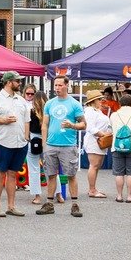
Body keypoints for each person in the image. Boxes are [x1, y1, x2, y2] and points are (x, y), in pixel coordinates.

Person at [37, 78, 85, 218]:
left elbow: (83, 124)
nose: (57, 88)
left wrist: (72, 125)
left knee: (71, 175)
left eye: (59, 85)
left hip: (68, 145)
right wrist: (44, 144)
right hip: (51, 145)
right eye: (55, 85)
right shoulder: (50, 104)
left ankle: (75, 204)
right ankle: (49, 203)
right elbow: (45, 125)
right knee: (51, 175)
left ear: (66, 86)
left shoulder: (74, 104)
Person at [0, 75, 31, 216]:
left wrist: (26, 138)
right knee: (0, 173)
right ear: (8, 82)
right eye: (17, 81)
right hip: (3, 141)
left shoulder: (22, 100)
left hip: (20, 143)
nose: (20, 83)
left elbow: (27, 121)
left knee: (13, 174)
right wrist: (3, 120)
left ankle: (11, 206)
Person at [107, 92, 131, 206]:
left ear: (120, 104)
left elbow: (111, 129)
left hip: (116, 147)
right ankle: (130, 196)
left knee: (119, 173)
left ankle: (119, 196)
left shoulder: (113, 115)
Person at [80, 91, 112, 199]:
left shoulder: (96, 110)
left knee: (96, 166)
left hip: (100, 140)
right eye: (99, 99)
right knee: (94, 166)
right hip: (94, 141)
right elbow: (90, 127)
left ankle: (93, 188)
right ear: (93, 101)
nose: (102, 101)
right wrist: (103, 134)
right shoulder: (90, 111)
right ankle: (92, 190)